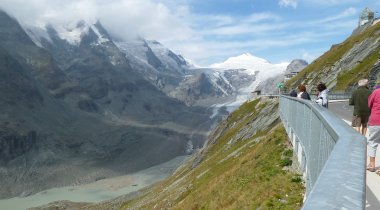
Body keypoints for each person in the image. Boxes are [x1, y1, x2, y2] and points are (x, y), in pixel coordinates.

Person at [367, 79, 380, 174]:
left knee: (373, 142)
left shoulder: (376, 92)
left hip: (375, 120)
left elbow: (369, 104)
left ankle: (371, 165)